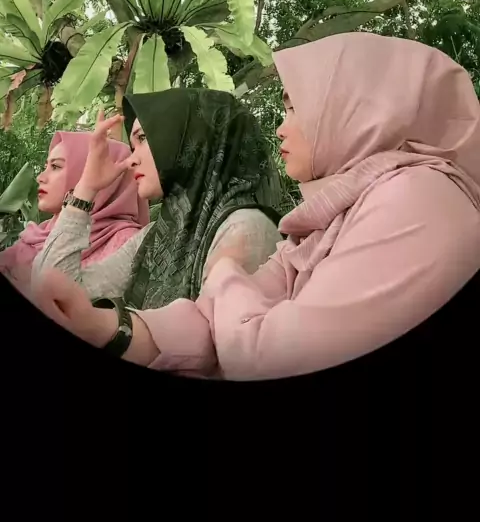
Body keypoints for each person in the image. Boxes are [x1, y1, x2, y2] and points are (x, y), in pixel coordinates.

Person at [33, 32, 480, 380]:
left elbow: (272, 356)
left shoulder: (418, 198)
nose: (281, 129)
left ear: (359, 108)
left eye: (294, 107)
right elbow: (210, 323)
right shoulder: (325, 220)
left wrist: (225, 273)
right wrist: (105, 328)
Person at [31, 89, 283, 306]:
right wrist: (86, 187)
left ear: (189, 139)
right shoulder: (156, 236)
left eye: (142, 139)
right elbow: (54, 293)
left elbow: (215, 336)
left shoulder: (243, 229)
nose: (132, 159)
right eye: (133, 146)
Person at [0, 130, 149, 290]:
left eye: (55, 166)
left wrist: (84, 192)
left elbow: (55, 293)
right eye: (46, 166)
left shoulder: (126, 242)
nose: (40, 177)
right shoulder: (36, 235)